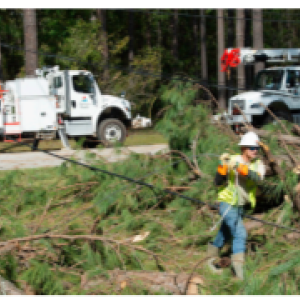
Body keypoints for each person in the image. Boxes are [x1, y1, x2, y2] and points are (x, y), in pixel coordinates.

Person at [206, 131, 266, 280]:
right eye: (252, 148)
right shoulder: (232, 160)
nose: (255, 151)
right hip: (227, 202)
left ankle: (209, 260)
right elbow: (218, 182)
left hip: (240, 205)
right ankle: (239, 272)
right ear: (244, 148)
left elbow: (257, 178)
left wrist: (242, 169)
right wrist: (222, 167)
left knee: (225, 232)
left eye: (257, 148)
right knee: (240, 233)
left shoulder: (258, 164)